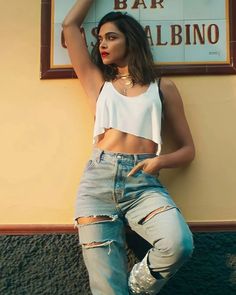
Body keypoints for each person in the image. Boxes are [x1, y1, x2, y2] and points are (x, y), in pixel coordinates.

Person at [62, 1, 195, 294]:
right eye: (99, 39)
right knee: (107, 289)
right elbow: (70, 27)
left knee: (178, 243)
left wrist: (159, 162)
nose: (102, 45)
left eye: (111, 37)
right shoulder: (98, 83)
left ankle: (137, 285)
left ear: (130, 39)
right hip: (97, 182)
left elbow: (188, 150)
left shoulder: (162, 88)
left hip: (143, 184)